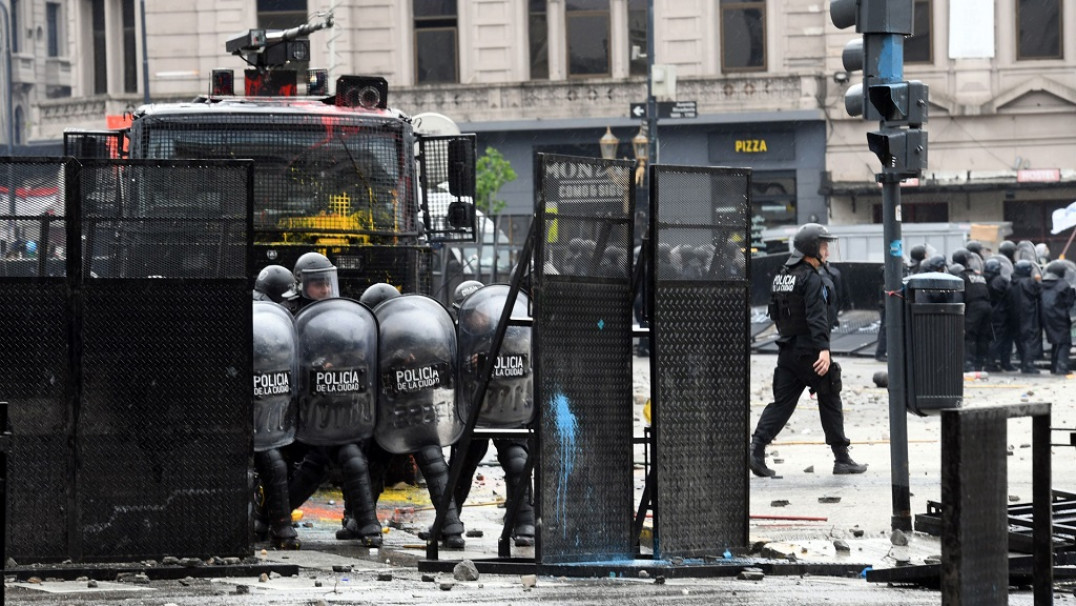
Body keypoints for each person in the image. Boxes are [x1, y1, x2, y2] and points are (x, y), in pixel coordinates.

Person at [750, 223, 866, 477]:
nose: (827, 251)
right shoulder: (812, 278)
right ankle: (842, 458)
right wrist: (823, 349)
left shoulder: (784, 274)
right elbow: (816, 316)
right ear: (812, 248)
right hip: (810, 350)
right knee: (830, 396)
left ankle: (756, 449)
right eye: (824, 245)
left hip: (788, 348)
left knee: (782, 403)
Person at [450, 281, 537, 547]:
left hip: (507, 406)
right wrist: (468, 363)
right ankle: (449, 522)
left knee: (517, 460)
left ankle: (523, 522)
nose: (476, 319)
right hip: (473, 410)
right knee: (461, 467)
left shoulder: (510, 331)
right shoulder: (456, 335)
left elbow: (525, 363)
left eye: (478, 312)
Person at [952, 250, 991, 371]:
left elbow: (958, 297)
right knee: (983, 336)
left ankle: (969, 363)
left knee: (970, 336)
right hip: (987, 306)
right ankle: (980, 363)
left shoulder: (961, 276)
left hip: (973, 307)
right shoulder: (978, 275)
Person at [1008, 260, 1043, 374]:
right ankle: (1028, 364)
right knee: (1029, 339)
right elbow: (1040, 292)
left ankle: (1024, 362)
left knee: (1019, 339)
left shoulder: (1012, 282)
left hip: (1014, 314)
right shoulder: (1030, 282)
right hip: (1028, 313)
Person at [1040, 261, 1074, 375]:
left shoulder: (1043, 284)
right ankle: (1061, 367)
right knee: (1064, 341)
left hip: (1046, 316)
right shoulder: (1063, 285)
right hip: (1059, 315)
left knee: (1056, 341)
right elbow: (1068, 303)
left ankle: (1054, 366)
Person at [983, 258, 1015, 372]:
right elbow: (1009, 294)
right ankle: (995, 363)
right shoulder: (1000, 280)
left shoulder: (986, 279)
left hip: (994, 312)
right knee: (1002, 339)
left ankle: (999, 362)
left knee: (997, 338)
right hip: (1003, 313)